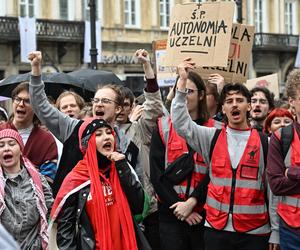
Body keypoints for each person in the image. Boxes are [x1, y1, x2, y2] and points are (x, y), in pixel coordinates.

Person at [170, 58, 279, 250]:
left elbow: (273, 191)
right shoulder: (210, 137)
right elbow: (181, 124)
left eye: (240, 100)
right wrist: (182, 83)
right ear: (223, 108)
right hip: (215, 230)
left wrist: (276, 231)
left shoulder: (266, 143)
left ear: (248, 107)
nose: (234, 105)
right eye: (229, 101)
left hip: (255, 233)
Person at [49, 119, 150, 250]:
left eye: (109, 133)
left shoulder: (122, 169)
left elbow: (139, 206)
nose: (106, 137)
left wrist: (122, 167)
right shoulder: (76, 178)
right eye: (98, 134)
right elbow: (65, 229)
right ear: (88, 143)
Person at [150, 70, 222, 250]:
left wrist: (192, 203)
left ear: (201, 95)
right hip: (171, 213)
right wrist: (180, 209)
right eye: (179, 89)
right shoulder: (163, 126)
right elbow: (157, 174)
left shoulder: (217, 129)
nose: (183, 95)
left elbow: (217, 172)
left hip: (205, 213)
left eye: (188, 91)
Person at [115, 49, 164, 250]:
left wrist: (147, 67)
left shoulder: (140, 129)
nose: (120, 110)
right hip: (116, 207)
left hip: (146, 208)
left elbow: (154, 106)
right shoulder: (100, 133)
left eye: (125, 105)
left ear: (131, 106)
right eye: (116, 105)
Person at [0, 129, 53, 249]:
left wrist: (40, 242)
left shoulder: (38, 181)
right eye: (1, 145)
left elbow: (51, 212)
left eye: (12, 144)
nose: (6, 148)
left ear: (20, 150)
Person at [267, 68, 300, 250]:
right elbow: (277, 186)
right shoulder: (281, 138)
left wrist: (293, 173)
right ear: (292, 102)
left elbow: (284, 180)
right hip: (291, 229)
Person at [0, 82, 58, 185]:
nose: (21, 104)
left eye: (27, 101)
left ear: (36, 107)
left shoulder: (46, 140)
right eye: (18, 99)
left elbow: (48, 180)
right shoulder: (1, 131)